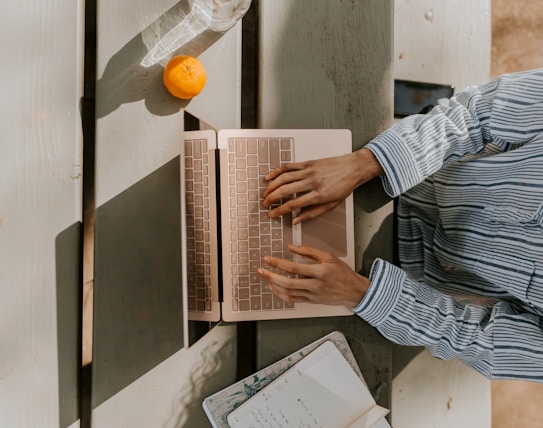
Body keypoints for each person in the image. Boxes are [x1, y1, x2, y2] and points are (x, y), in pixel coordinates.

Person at [256, 68, 543, 382]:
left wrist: (360, 293)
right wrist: (364, 163)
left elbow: (481, 342)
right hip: (387, 156)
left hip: (395, 285)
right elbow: (480, 113)